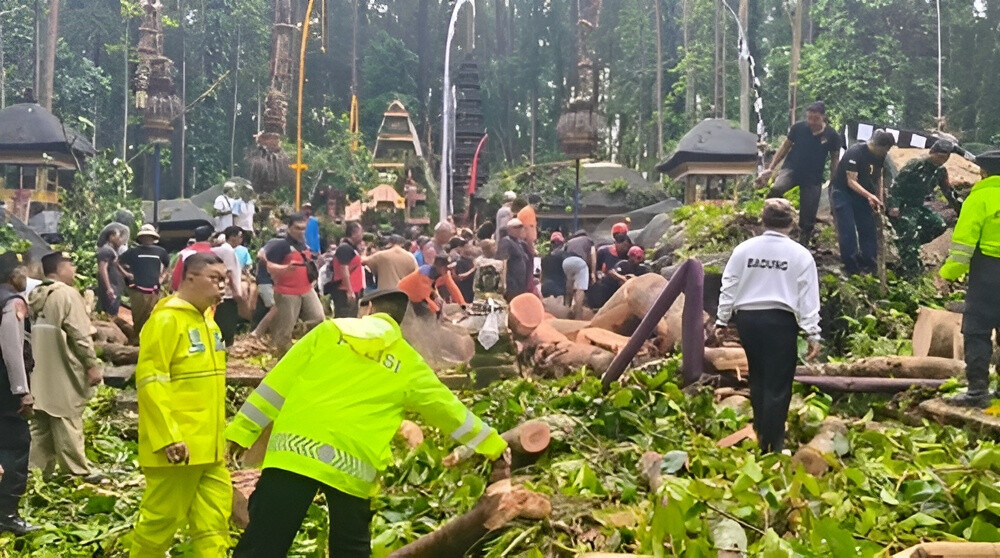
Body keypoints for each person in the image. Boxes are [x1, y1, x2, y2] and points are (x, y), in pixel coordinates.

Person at [226, 289, 510, 558]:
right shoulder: (409, 362)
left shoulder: (328, 332)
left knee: (263, 544)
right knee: (350, 551)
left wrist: (241, 433)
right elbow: (451, 412)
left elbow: (275, 386)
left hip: (295, 452)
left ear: (368, 309)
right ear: (399, 320)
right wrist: (494, 445)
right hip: (352, 465)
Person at [130, 253, 231, 557]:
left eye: (224, 280)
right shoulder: (165, 320)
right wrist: (168, 435)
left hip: (210, 448)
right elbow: (151, 381)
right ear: (189, 278)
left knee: (214, 522)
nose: (222, 286)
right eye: (215, 279)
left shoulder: (210, 324)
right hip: (179, 448)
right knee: (160, 522)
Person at [716, 199, 822, 452]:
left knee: (759, 377)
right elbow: (808, 295)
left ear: (762, 221)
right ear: (791, 223)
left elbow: (729, 283)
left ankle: (762, 432)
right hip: (780, 321)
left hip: (748, 320)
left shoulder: (744, 250)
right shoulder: (800, 254)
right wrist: (812, 331)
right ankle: (772, 444)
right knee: (778, 381)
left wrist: (722, 318)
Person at [28, 252, 102, 480]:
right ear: (60, 269)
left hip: (38, 368)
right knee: (67, 417)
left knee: (41, 423)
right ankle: (77, 470)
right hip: (62, 366)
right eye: (71, 264)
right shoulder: (67, 294)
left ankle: (34, 472)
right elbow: (79, 333)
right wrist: (91, 364)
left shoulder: (35, 294)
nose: (74, 269)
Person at [939, 151, 1000, 408]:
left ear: (984, 172)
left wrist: (946, 275)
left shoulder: (979, 198)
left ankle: (977, 392)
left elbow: (963, 244)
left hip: (987, 272)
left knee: (977, 330)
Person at [757, 101, 842, 246]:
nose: (811, 122)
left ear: (823, 117)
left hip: (813, 177)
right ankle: (768, 221)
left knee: (808, 214)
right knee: (777, 189)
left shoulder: (832, 135)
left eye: (815, 119)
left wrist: (835, 180)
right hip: (792, 169)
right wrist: (771, 168)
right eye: (809, 118)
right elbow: (784, 148)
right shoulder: (798, 128)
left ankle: (803, 244)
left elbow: (835, 158)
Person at [888, 139, 964, 277]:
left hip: (918, 206)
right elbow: (896, 185)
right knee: (909, 231)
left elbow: (948, 192)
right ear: (932, 153)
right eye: (940, 157)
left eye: (946, 158)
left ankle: (909, 247)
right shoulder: (916, 164)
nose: (943, 161)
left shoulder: (940, 171)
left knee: (938, 225)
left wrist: (961, 210)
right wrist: (894, 206)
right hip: (903, 205)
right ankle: (911, 273)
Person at [0, 253, 37, 535]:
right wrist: (21, 391)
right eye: (23, 272)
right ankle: (8, 515)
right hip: (4, 388)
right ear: (13, 276)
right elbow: (12, 348)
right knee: (14, 446)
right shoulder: (12, 302)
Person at [831, 130, 896, 275]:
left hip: (864, 194)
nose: (887, 152)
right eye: (887, 149)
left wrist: (879, 198)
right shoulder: (855, 153)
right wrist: (870, 196)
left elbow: (878, 177)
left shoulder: (881, 156)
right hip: (844, 193)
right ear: (880, 146)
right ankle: (851, 267)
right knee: (848, 229)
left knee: (868, 227)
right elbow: (851, 181)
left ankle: (869, 264)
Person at [265, 213, 324, 353]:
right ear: (289, 228)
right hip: (287, 292)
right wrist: (283, 269)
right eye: (297, 228)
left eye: (303, 229)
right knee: (284, 332)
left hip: (306, 289)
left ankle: (302, 342)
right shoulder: (280, 245)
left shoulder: (304, 244)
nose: (301, 232)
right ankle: (283, 361)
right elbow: (267, 266)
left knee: (318, 319)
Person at [119, 225, 171, 338]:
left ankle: (151, 338)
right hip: (137, 288)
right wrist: (126, 274)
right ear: (141, 238)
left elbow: (167, 266)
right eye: (145, 236)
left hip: (154, 289)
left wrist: (161, 278)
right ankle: (137, 340)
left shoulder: (160, 251)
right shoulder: (133, 251)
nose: (147, 238)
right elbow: (117, 262)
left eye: (149, 236)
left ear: (153, 238)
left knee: (153, 315)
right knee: (138, 316)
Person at [397, 256, 467, 314]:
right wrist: (438, 311)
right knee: (424, 314)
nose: (449, 270)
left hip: (422, 294)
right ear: (438, 266)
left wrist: (462, 304)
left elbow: (453, 288)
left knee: (438, 304)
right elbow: (425, 297)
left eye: (450, 268)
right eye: (446, 267)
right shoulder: (424, 274)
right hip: (405, 295)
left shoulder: (445, 273)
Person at [211, 226, 245, 346]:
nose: (241, 239)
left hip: (221, 293)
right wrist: (236, 292)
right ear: (232, 237)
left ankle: (220, 348)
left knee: (220, 323)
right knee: (226, 325)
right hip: (227, 294)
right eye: (240, 236)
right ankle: (222, 349)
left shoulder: (221, 249)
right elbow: (228, 272)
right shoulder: (227, 251)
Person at [588, 245, 648, 309]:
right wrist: (623, 278)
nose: (636, 260)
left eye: (639, 258)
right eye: (635, 257)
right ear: (630, 256)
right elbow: (613, 274)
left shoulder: (642, 269)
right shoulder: (623, 264)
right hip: (610, 290)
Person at [250, 229, 285, 339]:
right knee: (276, 308)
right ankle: (257, 333)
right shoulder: (275, 244)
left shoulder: (274, 252)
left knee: (265, 310)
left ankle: (265, 334)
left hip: (266, 283)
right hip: (266, 284)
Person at [331, 222, 365, 318]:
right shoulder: (345, 248)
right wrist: (350, 291)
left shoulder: (351, 248)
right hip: (344, 291)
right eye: (360, 232)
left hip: (353, 289)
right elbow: (344, 270)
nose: (362, 235)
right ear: (354, 234)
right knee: (345, 318)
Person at [170, 225, 215, 291]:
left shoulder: (185, 253)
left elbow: (176, 278)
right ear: (210, 238)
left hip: (187, 292)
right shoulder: (215, 253)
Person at [96, 223, 128, 316]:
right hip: (111, 288)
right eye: (119, 236)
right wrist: (109, 288)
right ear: (111, 236)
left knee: (112, 311)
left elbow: (116, 264)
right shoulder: (106, 250)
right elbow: (102, 269)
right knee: (110, 313)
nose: (121, 240)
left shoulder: (112, 250)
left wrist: (126, 274)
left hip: (115, 287)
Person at [497, 219, 531, 302]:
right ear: (509, 229)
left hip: (520, 284)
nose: (520, 229)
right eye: (517, 227)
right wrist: (503, 282)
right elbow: (503, 261)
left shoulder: (520, 243)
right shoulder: (506, 241)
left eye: (521, 227)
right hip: (511, 284)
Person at [540, 232, 568, 300]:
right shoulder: (565, 257)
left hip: (545, 288)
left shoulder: (544, 258)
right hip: (559, 289)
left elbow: (542, 274)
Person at [452, 239, 478, 304]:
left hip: (471, 290)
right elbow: (461, 277)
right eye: (467, 247)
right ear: (462, 249)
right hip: (464, 291)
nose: (470, 249)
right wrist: (473, 269)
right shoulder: (460, 262)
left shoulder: (472, 260)